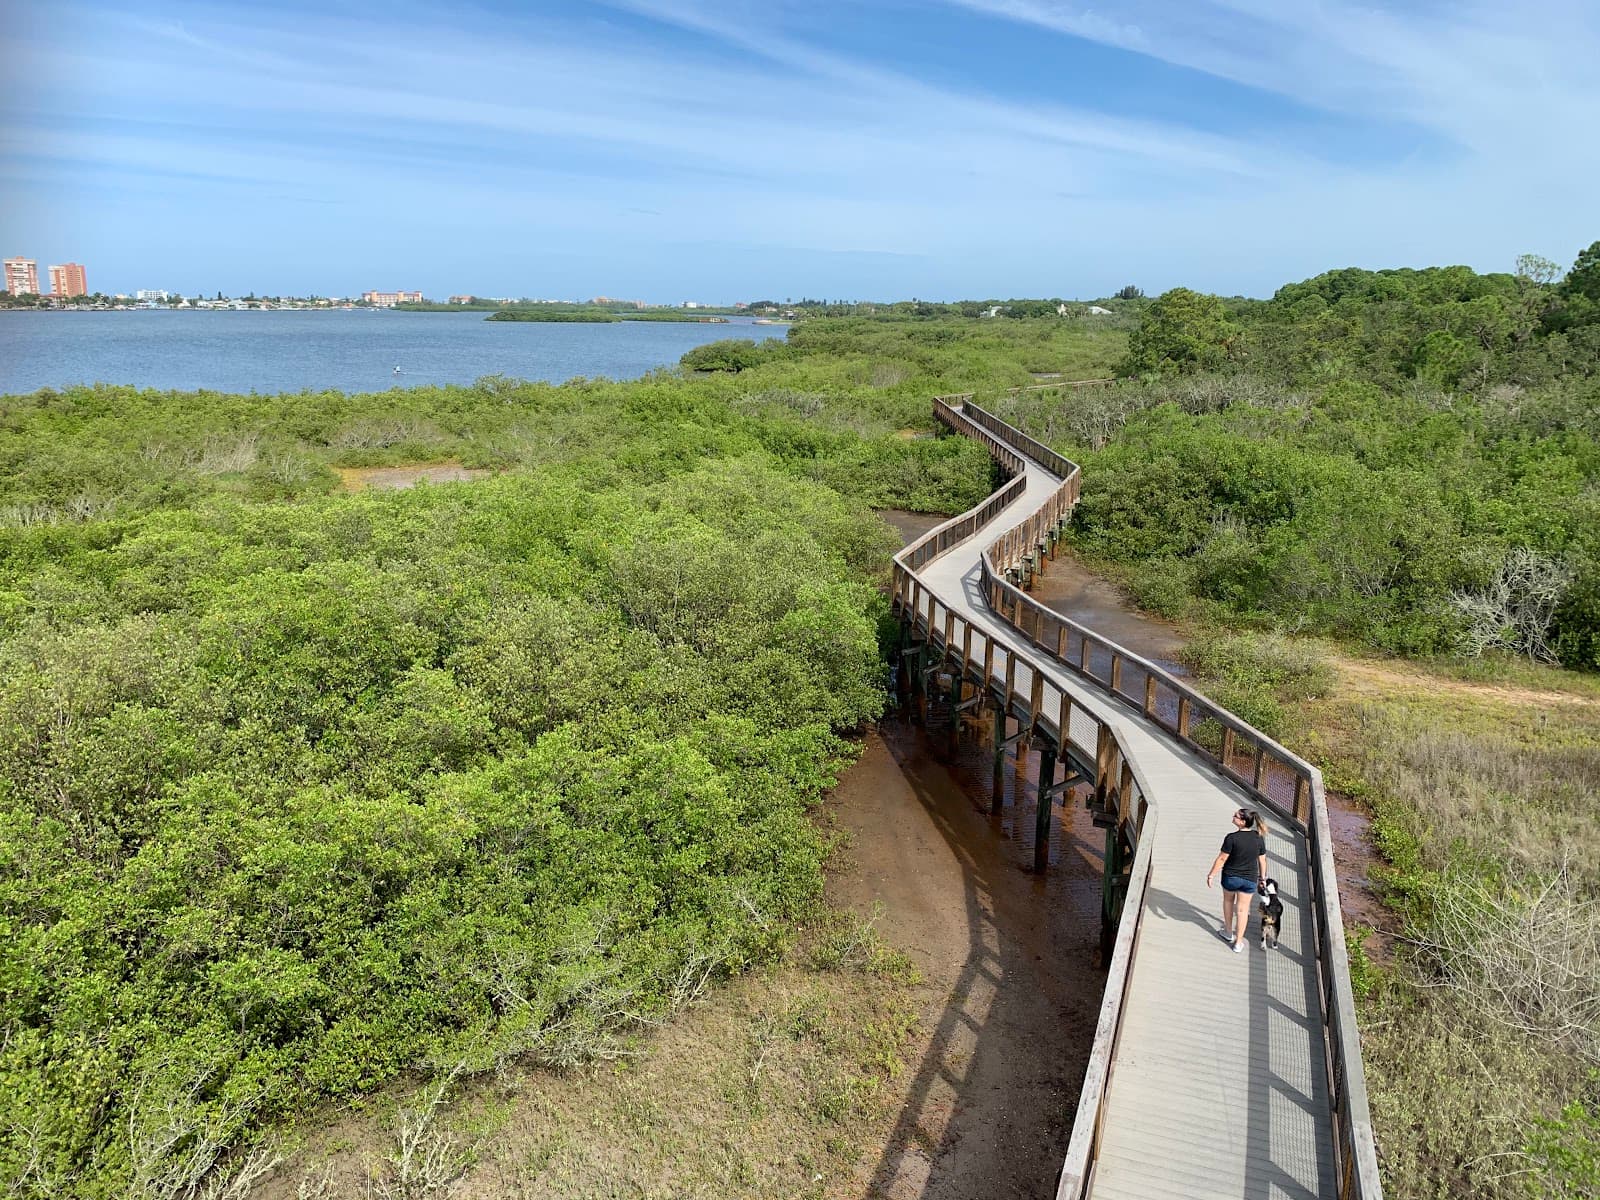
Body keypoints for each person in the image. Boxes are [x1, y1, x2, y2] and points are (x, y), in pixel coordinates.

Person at [1206, 809, 1269, 953]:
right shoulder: (1258, 838)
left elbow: (1222, 859)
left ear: (1242, 822)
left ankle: (1228, 932)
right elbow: (1262, 860)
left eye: (1235, 816)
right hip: (1249, 879)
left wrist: (1211, 875)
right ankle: (1238, 942)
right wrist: (1262, 878)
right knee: (1242, 910)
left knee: (1228, 902)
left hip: (1230, 877)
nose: (1233, 816)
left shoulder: (1232, 838)